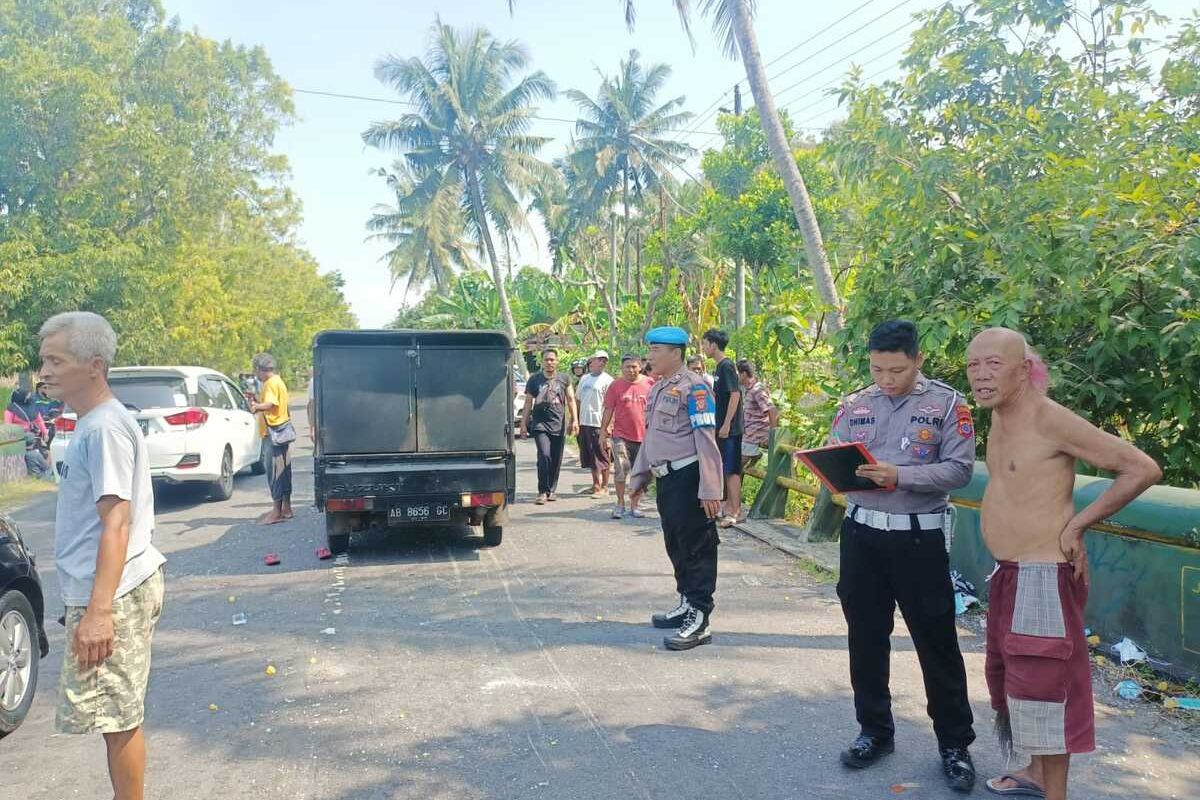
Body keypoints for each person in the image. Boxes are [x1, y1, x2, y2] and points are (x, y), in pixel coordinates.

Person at [966, 328, 1161, 800]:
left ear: (1022, 369)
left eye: (994, 364)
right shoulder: (1001, 416)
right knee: (1015, 682)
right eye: (973, 365)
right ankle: (1034, 772)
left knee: (1045, 689)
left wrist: (1076, 528)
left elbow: (1142, 468)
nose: (981, 375)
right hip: (1011, 572)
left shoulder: (1051, 419)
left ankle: (1057, 794)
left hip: (1042, 576)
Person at [829, 319, 978, 792]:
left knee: (936, 643)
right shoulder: (855, 403)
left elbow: (960, 470)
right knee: (866, 638)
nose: (886, 380)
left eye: (896, 370)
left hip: (918, 539)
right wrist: (828, 464)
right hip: (861, 536)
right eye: (877, 369)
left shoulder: (949, 405)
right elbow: (836, 451)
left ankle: (954, 744)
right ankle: (874, 731)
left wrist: (902, 476)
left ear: (918, 360)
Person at [37, 311, 166, 800]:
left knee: (119, 717)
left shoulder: (104, 429)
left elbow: (117, 523)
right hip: (106, 588)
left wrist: (99, 612)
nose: (44, 371)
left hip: (116, 592)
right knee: (113, 714)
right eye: (43, 360)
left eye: (56, 360)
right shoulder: (90, 424)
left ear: (94, 366)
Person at [628, 327, 724, 651]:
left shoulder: (695, 388)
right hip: (666, 480)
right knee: (676, 544)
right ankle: (685, 600)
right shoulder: (657, 389)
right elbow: (651, 436)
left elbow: (706, 440)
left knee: (697, 547)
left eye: (656, 350)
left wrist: (711, 489)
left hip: (689, 478)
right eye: (650, 350)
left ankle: (699, 617)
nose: (650, 356)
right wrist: (640, 476)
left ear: (675, 353)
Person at [520, 348, 577, 505]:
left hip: (558, 423)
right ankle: (542, 491)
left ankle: (551, 489)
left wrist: (574, 420)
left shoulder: (564, 379)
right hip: (539, 424)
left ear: (556, 361)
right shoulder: (534, 380)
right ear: (542, 362)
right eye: (546, 359)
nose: (549, 362)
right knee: (544, 455)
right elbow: (527, 403)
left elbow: (571, 400)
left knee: (556, 458)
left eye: (552, 359)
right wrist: (524, 425)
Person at [600, 354, 653, 519]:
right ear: (622, 369)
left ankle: (635, 504)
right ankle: (620, 502)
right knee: (621, 470)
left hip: (644, 436)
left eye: (634, 367)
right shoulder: (615, 386)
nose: (631, 370)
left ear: (640, 367)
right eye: (627, 367)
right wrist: (603, 431)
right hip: (620, 435)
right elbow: (608, 409)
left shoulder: (650, 384)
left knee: (641, 473)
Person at [701, 329, 744, 528]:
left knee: (732, 469)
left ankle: (736, 510)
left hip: (731, 429)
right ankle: (728, 505)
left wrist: (727, 423)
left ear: (713, 345)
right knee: (725, 468)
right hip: (721, 426)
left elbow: (735, 395)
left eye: (705, 344)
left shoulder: (726, 366)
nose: (703, 348)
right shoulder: (719, 368)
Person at [250, 353, 292, 525]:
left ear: (260, 369)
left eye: (256, 371)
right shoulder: (279, 381)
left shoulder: (269, 384)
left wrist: (256, 406)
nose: (256, 375)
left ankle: (276, 512)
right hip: (283, 432)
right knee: (284, 472)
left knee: (274, 474)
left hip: (273, 433)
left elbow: (270, 404)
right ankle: (286, 508)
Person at [576, 351, 614, 498]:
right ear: (592, 361)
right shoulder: (584, 379)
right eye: (600, 359)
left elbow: (612, 405)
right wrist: (577, 420)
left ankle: (605, 486)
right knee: (590, 455)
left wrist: (609, 425)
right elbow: (578, 399)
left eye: (605, 360)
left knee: (603, 455)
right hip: (585, 422)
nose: (603, 362)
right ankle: (595, 485)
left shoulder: (608, 380)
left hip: (600, 423)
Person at [737, 359, 779, 471]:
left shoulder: (757, 390)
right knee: (737, 466)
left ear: (744, 374)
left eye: (737, 374)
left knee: (737, 466)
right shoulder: (749, 389)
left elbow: (772, 410)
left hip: (754, 435)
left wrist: (772, 435)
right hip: (749, 433)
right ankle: (755, 456)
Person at [5, 388, 54, 480]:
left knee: (41, 453)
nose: (29, 397)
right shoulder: (11, 409)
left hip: (31, 435)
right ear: (20, 397)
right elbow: (8, 425)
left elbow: (39, 420)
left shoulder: (32, 406)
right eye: (27, 395)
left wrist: (45, 432)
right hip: (18, 437)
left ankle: (37, 471)